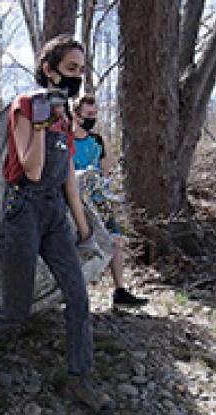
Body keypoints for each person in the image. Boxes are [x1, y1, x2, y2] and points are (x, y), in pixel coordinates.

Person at [0, 35, 114, 415]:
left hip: (54, 215)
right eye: (70, 69)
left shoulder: (66, 118)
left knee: (78, 297)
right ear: (49, 70)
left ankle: (80, 377)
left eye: (81, 70)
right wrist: (45, 121)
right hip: (22, 211)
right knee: (16, 310)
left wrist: (84, 230)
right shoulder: (26, 106)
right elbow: (30, 168)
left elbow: (68, 182)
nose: (77, 77)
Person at [72, 95, 148, 307]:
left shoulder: (96, 140)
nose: (92, 119)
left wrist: (104, 182)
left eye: (95, 115)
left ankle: (120, 290)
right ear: (76, 115)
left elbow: (105, 169)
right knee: (81, 247)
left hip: (98, 199)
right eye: (88, 115)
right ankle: (78, 294)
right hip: (76, 203)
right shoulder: (66, 140)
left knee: (116, 240)